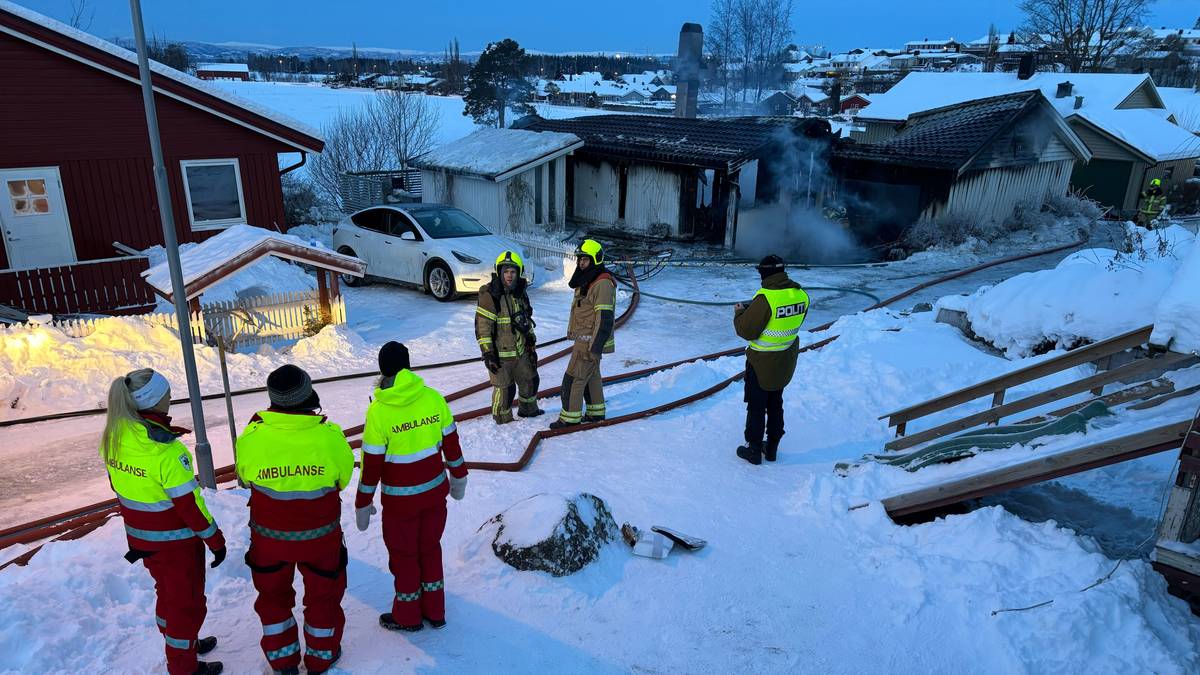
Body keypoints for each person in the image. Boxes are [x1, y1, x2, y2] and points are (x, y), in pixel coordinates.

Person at [99, 369, 226, 675]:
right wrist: (215, 540)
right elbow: (189, 507)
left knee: (167, 594)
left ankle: (181, 641)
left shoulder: (116, 437)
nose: (171, 396)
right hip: (176, 545)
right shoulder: (166, 451)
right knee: (187, 604)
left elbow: (119, 488)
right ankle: (184, 664)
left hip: (143, 540)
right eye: (167, 392)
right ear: (156, 401)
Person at [235, 365, 355, 675]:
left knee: (273, 598)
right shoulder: (330, 437)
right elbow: (343, 479)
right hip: (321, 540)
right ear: (307, 396)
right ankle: (320, 656)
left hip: (269, 541)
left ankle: (283, 660)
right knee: (323, 597)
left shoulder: (252, 438)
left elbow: (245, 479)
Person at [355, 341, 468, 632]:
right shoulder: (433, 398)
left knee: (404, 557)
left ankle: (408, 616)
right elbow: (452, 445)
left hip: (399, 504)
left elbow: (372, 466)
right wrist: (459, 477)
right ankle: (435, 610)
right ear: (409, 365)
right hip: (434, 495)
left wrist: (363, 502)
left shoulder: (379, 411)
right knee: (430, 549)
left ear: (382, 371)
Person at [732, 255, 809, 465]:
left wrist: (739, 313)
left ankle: (754, 449)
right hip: (785, 361)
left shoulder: (766, 298)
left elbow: (747, 330)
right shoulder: (800, 294)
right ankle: (772, 447)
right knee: (776, 403)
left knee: (756, 406)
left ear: (764, 273)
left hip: (761, 362)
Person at [550, 239, 617, 429]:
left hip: (589, 343)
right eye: (580, 260)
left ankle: (569, 418)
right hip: (586, 341)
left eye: (585, 260)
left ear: (595, 260)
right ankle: (596, 413)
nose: (581, 264)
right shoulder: (590, 281)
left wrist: (595, 348)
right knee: (592, 376)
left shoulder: (602, 284)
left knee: (574, 379)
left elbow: (604, 319)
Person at [476, 250, 543, 424]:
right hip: (501, 355)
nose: (509, 276)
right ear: (499, 272)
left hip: (521, 351)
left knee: (530, 381)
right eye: (505, 271)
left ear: (518, 272)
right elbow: (483, 327)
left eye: (513, 271)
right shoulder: (490, 295)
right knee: (504, 391)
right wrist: (488, 353)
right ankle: (502, 421)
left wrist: (530, 339)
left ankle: (529, 411)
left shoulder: (520, 292)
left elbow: (526, 318)